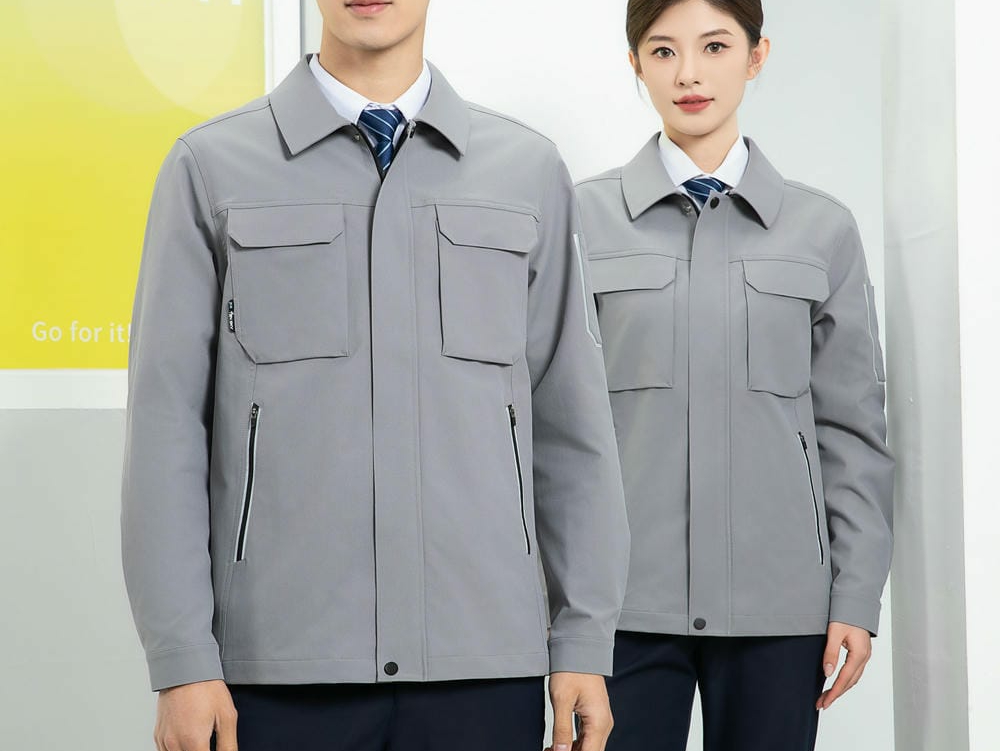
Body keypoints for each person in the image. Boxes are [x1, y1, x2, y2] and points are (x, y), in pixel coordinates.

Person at [120, 1, 630, 750]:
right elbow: (165, 432)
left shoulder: (528, 171)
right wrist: (181, 659)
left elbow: (573, 426)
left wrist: (583, 637)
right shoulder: (210, 167)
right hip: (277, 666)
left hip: (484, 660)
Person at [574, 1, 894, 749]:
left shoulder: (823, 230)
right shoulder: (581, 219)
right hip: (618, 608)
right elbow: (549, 423)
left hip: (780, 609)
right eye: (663, 51)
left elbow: (852, 431)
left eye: (714, 47)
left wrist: (855, 594)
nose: (689, 74)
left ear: (756, 56)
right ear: (635, 65)